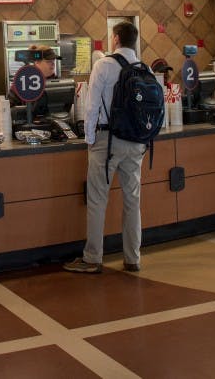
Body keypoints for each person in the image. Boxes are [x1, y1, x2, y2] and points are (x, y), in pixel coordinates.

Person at [64, 22, 147, 274]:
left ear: (116, 39)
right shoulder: (143, 68)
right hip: (136, 141)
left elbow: (91, 108)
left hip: (106, 141)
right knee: (133, 200)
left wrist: (89, 139)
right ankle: (133, 258)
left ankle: (93, 258)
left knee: (98, 199)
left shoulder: (104, 65)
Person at [8, 44, 59, 118]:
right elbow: (8, 108)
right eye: (48, 61)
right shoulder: (23, 80)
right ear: (37, 62)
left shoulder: (57, 82)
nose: (53, 64)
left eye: (53, 61)